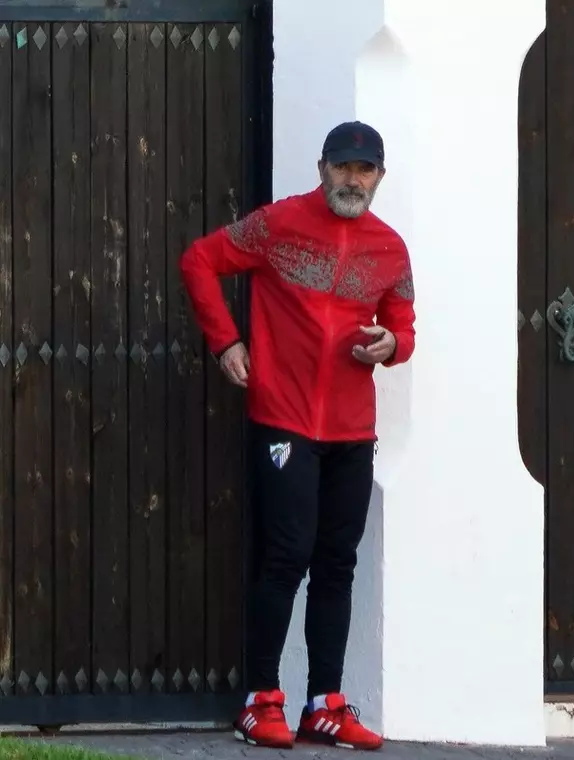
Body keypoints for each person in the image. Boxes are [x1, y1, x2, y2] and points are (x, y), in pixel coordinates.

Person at [180, 121, 415, 751]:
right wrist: (225, 340)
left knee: (337, 563)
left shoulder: (390, 249)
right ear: (321, 169)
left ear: (380, 178)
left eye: (364, 170)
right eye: (342, 167)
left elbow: (403, 327)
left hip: (350, 429)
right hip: (283, 419)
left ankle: (325, 704)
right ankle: (260, 699)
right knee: (285, 555)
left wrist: (391, 345)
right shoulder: (279, 226)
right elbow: (199, 260)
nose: (352, 179)